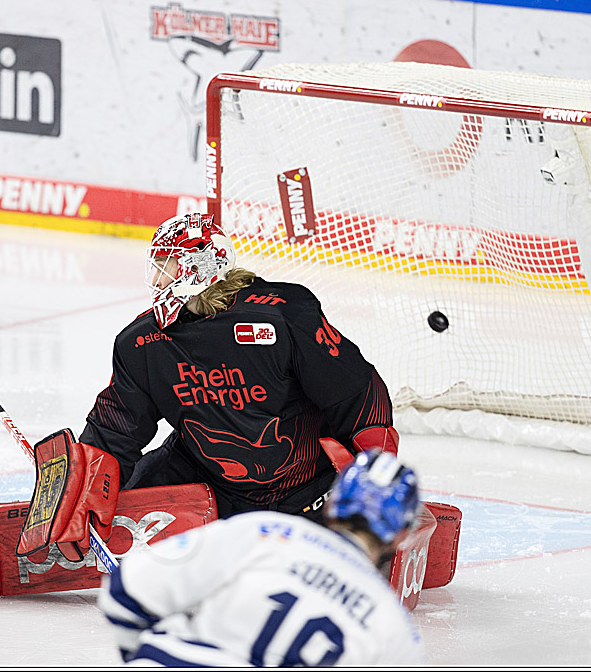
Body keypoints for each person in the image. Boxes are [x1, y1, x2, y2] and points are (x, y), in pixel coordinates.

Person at [77, 211, 400, 522]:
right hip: (208, 481)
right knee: (136, 486)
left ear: (196, 269)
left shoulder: (283, 316)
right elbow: (116, 427)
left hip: (304, 489)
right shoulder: (142, 342)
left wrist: (374, 473)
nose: (156, 279)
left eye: (166, 266)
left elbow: (354, 391)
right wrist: (87, 484)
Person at [97, 449, 426, 666]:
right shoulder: (394, 627)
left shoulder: (264, 532)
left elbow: (125, 589)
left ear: (332, 502)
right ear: (401, 534)